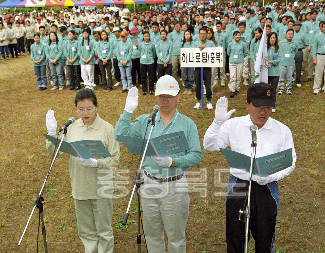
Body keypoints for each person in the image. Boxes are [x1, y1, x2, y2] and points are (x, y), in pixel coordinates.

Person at [203, 83, 297, 253]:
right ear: (247, 105)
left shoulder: (282, 130)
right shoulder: (233, 125)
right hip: (238, 186)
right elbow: (209, 145)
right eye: (258, 107)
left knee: (265, 238)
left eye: (268, 107)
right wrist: (217, 123)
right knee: (235, 237)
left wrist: (269, 176)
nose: (263, 112)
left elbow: (290, 162)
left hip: (267, 188)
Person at [114, 75, 203, 253]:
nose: (165, 100)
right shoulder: (146, 121)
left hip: (174, 185)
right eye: (162, 96)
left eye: (170, 96)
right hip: (149, 184)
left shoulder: (187, 124)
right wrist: (128, 111)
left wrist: (174, 161)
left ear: (178, 97)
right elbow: (120, 134)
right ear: (156, 96)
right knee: (152, 235)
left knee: (176, 238)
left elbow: (196, 155)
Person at [45, 89, 120, 253]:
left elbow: (114, 159)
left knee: (104, 230)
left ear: (96, 107)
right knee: (86, 231)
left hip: (101, 188)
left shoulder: (107, 129)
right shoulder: (72, 128)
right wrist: (51, 135)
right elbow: (56, 153)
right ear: (75, 108)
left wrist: (96, 163)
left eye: (89, 108)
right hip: (80, 187)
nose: (85, 113)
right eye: (80, 109)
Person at [193, 27, 216, 110]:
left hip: (207, 66)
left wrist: (206, 48)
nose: (202, 35)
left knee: (208, 84)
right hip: (197, 66)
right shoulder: (195, 43)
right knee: (197, 84)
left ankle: (209, 101)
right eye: (201, 34)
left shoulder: (211, 43)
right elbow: (191, 53)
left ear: (207, 34)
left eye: (204, 34)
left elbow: (214, 52)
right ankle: (198, 101)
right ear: (199, 35)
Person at [227, 30, 248, 97]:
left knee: (238, 76)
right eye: (236, 35)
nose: (237, 36)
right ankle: (232, 90)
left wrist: (240, 57)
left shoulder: (243, 44)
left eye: (238, 35)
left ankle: (236, 88)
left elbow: (245, 53)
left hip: (240, 62)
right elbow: (228, 52)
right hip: (232, 62)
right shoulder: (230, 44)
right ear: (233, 36)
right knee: (232, 76)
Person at [138, 31, 156, 95]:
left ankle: (151, 89)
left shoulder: (152, 44)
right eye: (145, 36)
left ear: (149, 36)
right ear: (143, 37)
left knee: (151, 77)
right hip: (143, 62)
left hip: (150, 62)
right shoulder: (140, 44)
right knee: (143, 76)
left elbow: (154, 53)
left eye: (147, 36)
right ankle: (144, 90)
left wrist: (151, 58)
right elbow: (140, 51)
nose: (146, 37)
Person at [181, 30, 194, 94]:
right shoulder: (182, 44)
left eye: (188, 34)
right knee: (184, 75)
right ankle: (186, 88)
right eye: (186, 34)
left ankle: (190, 88)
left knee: (191, 75)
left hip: (191, 61)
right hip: (184, 61)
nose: (187, 36)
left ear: (190, 35)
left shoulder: (193, 43)